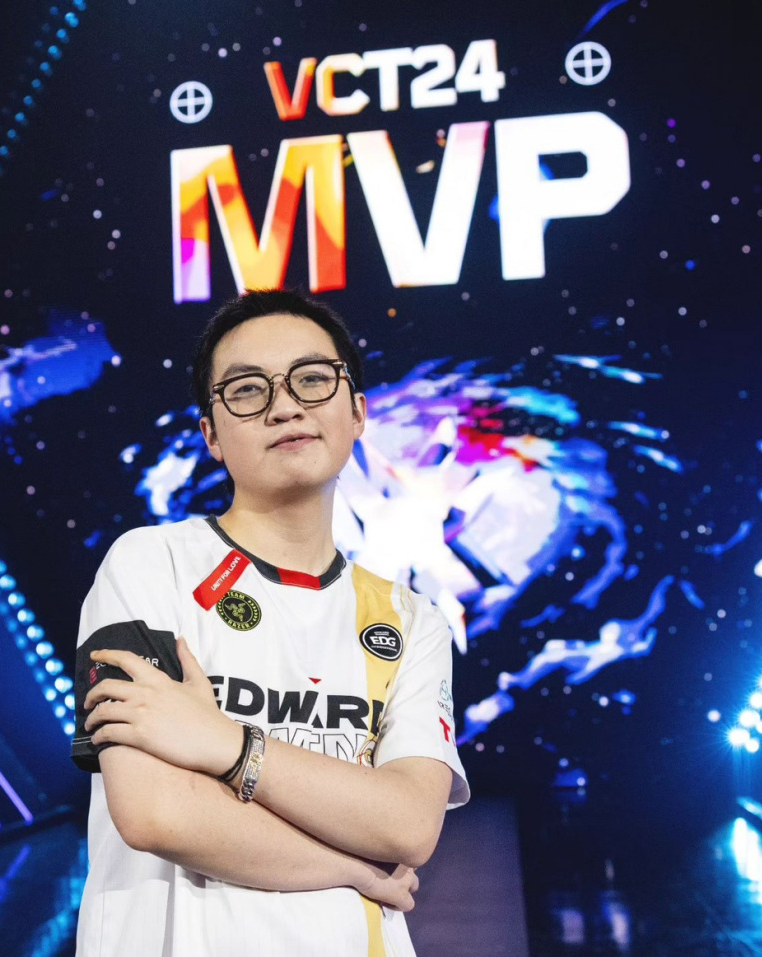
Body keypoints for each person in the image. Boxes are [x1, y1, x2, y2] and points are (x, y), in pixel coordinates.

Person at [70, 289, 470, 956]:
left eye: (312, 379)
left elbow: (408, 824)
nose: (285, 406)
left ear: (358, 411)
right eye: (248, 390)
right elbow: (156, 811)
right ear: (212, 435)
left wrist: (224, 742)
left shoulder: (411, 621)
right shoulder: (148, 564)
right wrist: (353, 866)